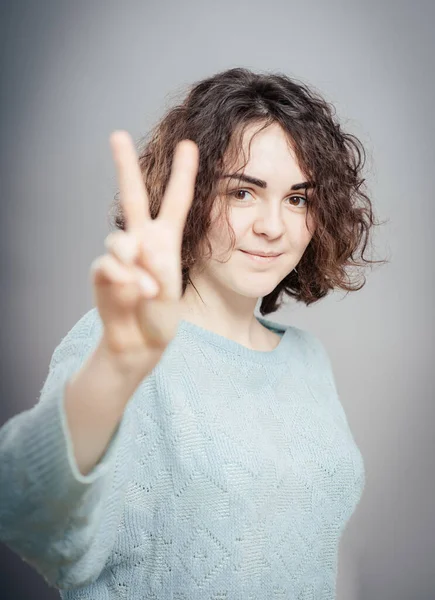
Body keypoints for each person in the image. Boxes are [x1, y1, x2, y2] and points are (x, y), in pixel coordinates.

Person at [0, 67, 386, 599]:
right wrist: (117, 367)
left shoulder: (307, 359)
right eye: (243, 193)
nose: (273, 226)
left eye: (298, 198)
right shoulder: (122, 344)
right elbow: (28, 514)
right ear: (196, 197)